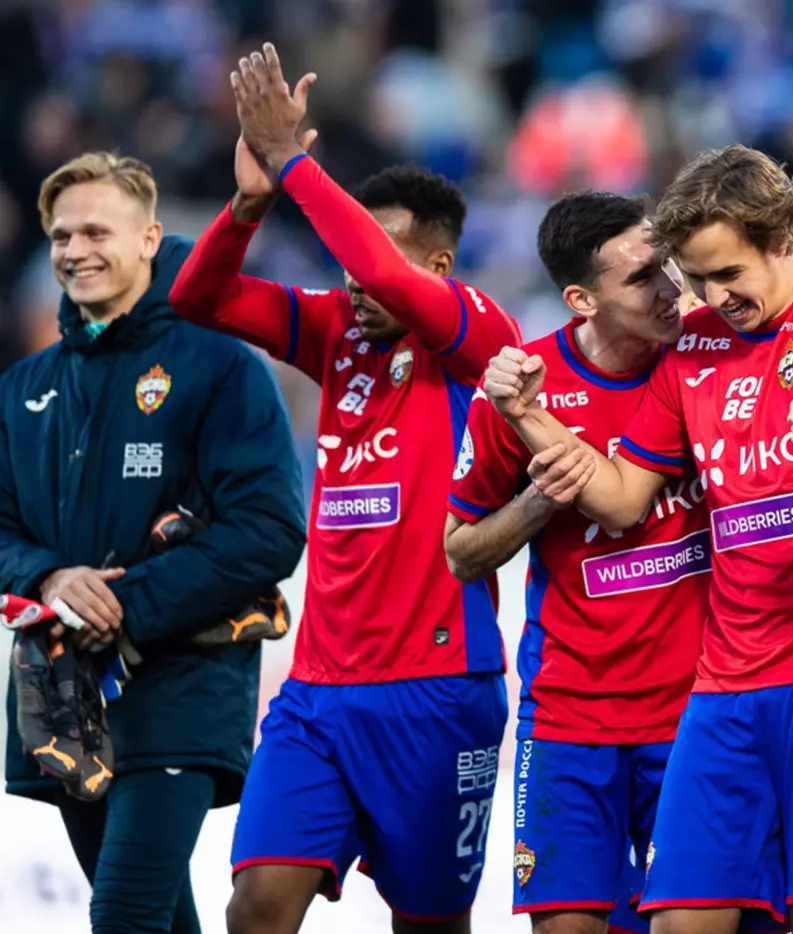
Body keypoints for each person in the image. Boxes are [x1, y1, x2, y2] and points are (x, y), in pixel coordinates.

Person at [480, 144, 793, 934]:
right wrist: (527, 414)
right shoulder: (693, 344)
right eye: (696, 277)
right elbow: (621, 500)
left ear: (781, 241)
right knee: (680, 919)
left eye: (729, 274)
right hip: (725, 684)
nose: (714, 297)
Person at [168, 45, 520, 934]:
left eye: (380, 256)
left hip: (439, 686)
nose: (358, 278)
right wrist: (250, 203)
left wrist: (294, 162)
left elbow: (388, 274)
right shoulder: (337, 332)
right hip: (318, 691)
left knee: (428, 924)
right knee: (256, 905)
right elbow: (198, 298)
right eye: (351, 257)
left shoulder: (478, 335)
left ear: (439, 265)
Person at [0, 151, 305, 934]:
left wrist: (121, 604)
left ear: (149, 239)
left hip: (182, 686)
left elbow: (270, 529)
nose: (75, 251)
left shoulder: (219, 365)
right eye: (61, 236)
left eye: (97, 231)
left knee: (126, 916)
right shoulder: (24, 386)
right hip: (62, 694)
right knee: (157, 921)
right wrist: (50, 579)